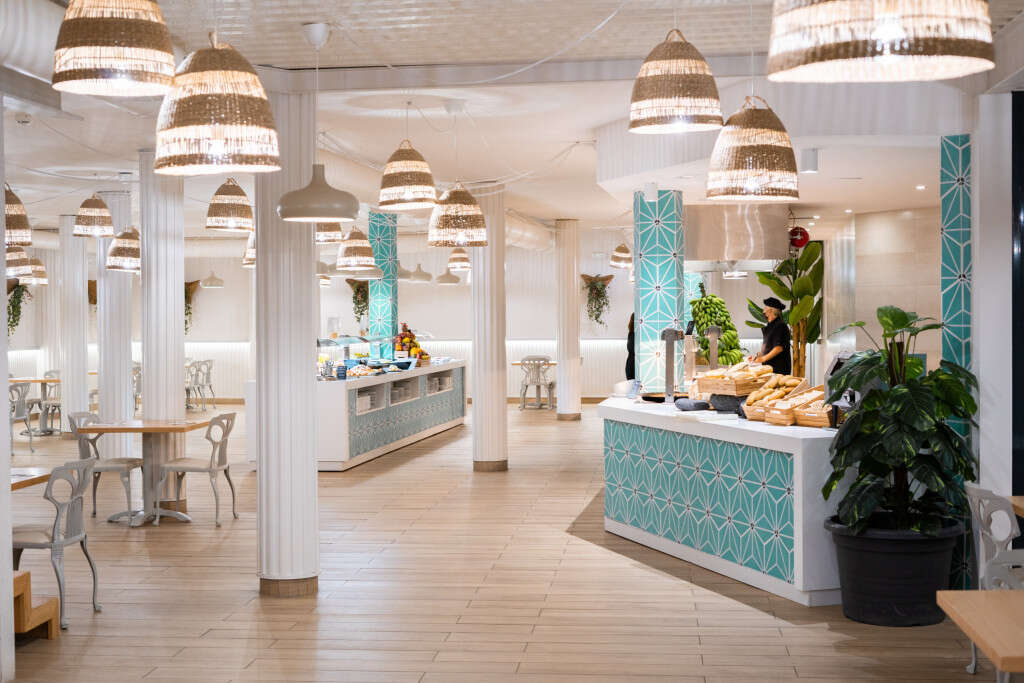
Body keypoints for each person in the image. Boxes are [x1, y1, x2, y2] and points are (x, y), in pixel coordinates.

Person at [749, 297, 792, 375]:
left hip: (778, 369)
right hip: (769, 368)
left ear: (771, 310)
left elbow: (778, 348)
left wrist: (763, 359)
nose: (763, 311)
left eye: (765, 308)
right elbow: (769, 346)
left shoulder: (780, 326)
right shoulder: (770, 326)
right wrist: (759, 355)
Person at [625, 313, 635, 381]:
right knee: (635, 386)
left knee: (633, 386)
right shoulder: (633, 334)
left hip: (630, 364)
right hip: (632, 365)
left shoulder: (631, 333)